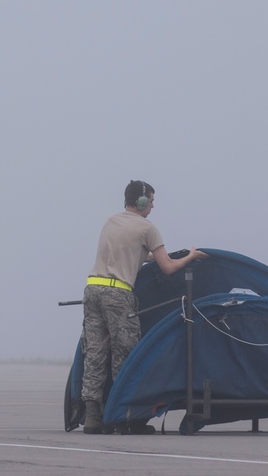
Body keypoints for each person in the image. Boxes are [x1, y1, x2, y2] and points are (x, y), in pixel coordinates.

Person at [81, 180, 208, 434]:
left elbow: (134, 253)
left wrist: (154, 254)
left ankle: (92, 416)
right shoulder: (147, 228)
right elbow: (168, 268)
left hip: (93, 289)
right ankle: (124, 416)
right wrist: (190, 256)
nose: (152, 206)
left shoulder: (111, 221)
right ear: (140, 202)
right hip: (118, 293)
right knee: (125, 355)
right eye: (150, 201)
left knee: (95, 354)